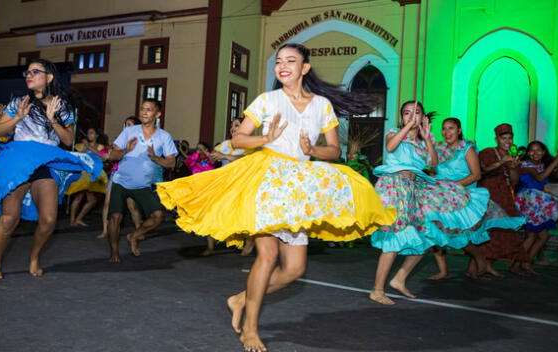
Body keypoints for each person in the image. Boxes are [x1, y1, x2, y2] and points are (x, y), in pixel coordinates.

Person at [157, 43, 396, 352]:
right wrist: (265, 138)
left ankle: (241, 299)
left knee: (295, 270)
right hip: (267, 179)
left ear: (305, 68)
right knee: (267, 256)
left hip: (299, 187)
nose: (283, 66)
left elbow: (334, 150)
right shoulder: (267, 100)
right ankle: (250, 330)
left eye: (291, 60)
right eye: (279, 61)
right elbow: (238, 139)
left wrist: (312, 150)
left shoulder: (321, 105)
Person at [0, 58, 102, 279]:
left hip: (46, 162)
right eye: (27, 72)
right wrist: (18, 117)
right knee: (9, 219)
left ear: (48, 77)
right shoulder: (17, 103)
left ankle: (34, 256)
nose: (29, 75)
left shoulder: (62, 106)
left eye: (35, 71)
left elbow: (68, 140)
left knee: (48, 220)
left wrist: (53, 120)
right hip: (19, 161)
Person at [369, 103, 490, 305]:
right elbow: (390, 147)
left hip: (413, 190)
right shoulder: (394, 132)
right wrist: (407, 127)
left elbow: (433, 163)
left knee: (425, 236)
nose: (411, 116)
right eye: (407, 113)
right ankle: (377, 290)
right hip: (393, 187)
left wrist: (426, 137)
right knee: (393, 238)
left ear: (423, 117)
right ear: (401, 117)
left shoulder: (424, 141)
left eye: (416, 112)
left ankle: (399, 278)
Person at [430, 118, 525, 279]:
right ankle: (443, 270)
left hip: (461, 195)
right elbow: (434, 171)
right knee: (433, 229)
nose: (447, 132)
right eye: (444, 129)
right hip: (440, 195)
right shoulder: (438, 149)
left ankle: (479, 257)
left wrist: (452, 186)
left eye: (451, 128)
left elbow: (476, 175)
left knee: (456, 231)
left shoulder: (467, 148)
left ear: (459, 130)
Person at [106, 99, 177, 261]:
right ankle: (114, 253)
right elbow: (113, 155)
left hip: (143, 185)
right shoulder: (129, 132)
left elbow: (171, 163)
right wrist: (126, 150)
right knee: (115, 217)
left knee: (158, 216)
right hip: (121, 181)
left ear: (157, 114)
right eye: (142, 109)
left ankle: (134, 235)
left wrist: (155, 158)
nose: (144, 112)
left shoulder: (164, 136)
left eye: (149, 110)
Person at [477, 124, 530, 276]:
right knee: (486, 230)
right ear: (497, 139)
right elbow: (482, 171)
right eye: (503, 138)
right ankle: (476, 268)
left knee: (503, 232)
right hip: (489, 196)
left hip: (505, 196)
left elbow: (514, 182)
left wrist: (513, 167)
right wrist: (502, 162)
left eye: (510, 138)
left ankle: (487, 265)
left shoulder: (513, 156)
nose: (507, 141)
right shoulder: (488, 152)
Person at [201, 118, 255, 257]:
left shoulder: (250, 145)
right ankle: (210, 246)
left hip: (241, 185)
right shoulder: (225, 144)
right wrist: (211, 156)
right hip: (223, 183)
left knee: (242, 215)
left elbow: (243, 159)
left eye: (237, 125)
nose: (233, 128)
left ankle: (249, 242)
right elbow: (213, 155)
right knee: (211, 212)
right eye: (232, 125)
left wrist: (223, 155)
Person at [515, 141, 558, 273]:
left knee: (543, 236)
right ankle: (516, 265)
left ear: (544, 152)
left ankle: (526, 263)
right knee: (531, 235)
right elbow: (539, 178)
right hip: (529, 202)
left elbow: (557, 176)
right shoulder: (525, 165)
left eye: (538, 150)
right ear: (527, 153)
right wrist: (555, 161)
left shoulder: (543, 165)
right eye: (532, 150)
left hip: (538, 204)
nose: (535, 153)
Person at [97, 117, 143, 239]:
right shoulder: (120, 139)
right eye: (125, 124)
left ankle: (139, 230)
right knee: (107, 202)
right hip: (116, 173)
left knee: (131, 205)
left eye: (129, 124)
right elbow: (110, 153)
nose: (126, 126)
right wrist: (107, 155)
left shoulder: (139, 141)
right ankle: (105, 230)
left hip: (130, 175)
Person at [67, 127, 109, 227]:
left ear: (96, 135)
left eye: (92, 133)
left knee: (91, 200)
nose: (89, 135)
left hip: (93, 175)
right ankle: (73, 220)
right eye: (88, 133)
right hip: (83, 174)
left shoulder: (101, 147)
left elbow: (103, 158)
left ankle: (77, 219)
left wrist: (89, 147)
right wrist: (85, 147)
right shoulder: (81, 145)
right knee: (79, 197)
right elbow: (77, 157)